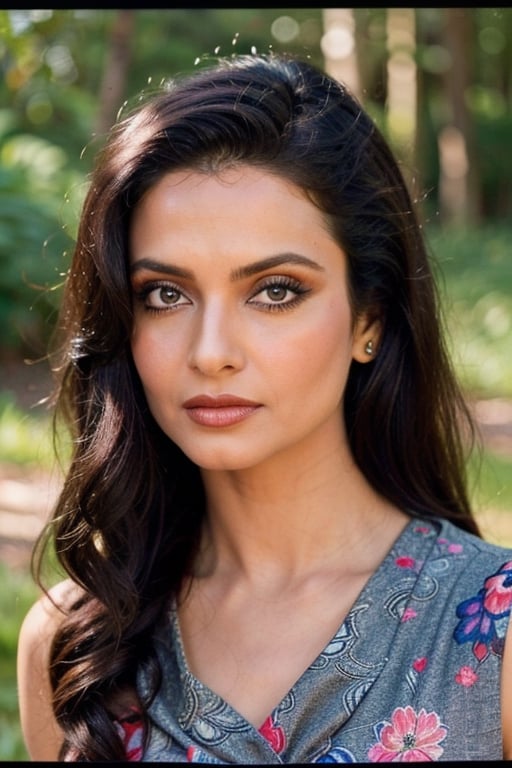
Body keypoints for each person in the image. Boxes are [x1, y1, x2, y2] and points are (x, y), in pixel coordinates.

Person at [16, 52, 512, 763]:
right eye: (165, 293)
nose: (211, 351)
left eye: (275, 290)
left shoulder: (494, 639)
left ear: (369, 319)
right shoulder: (74, 649)